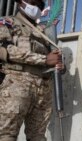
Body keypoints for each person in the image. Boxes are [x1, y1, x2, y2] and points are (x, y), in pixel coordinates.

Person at [0, 0, 63, 141]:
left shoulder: (43, 32)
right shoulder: (7, 22)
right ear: (20, 3)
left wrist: (57, 64)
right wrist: (44, 60)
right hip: (16, 84)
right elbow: (5, 50)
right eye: (32, 3)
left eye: (40, 5)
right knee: (6, 135)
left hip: (42, 89)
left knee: (38, 137)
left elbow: (51, 58)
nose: (36, 8)